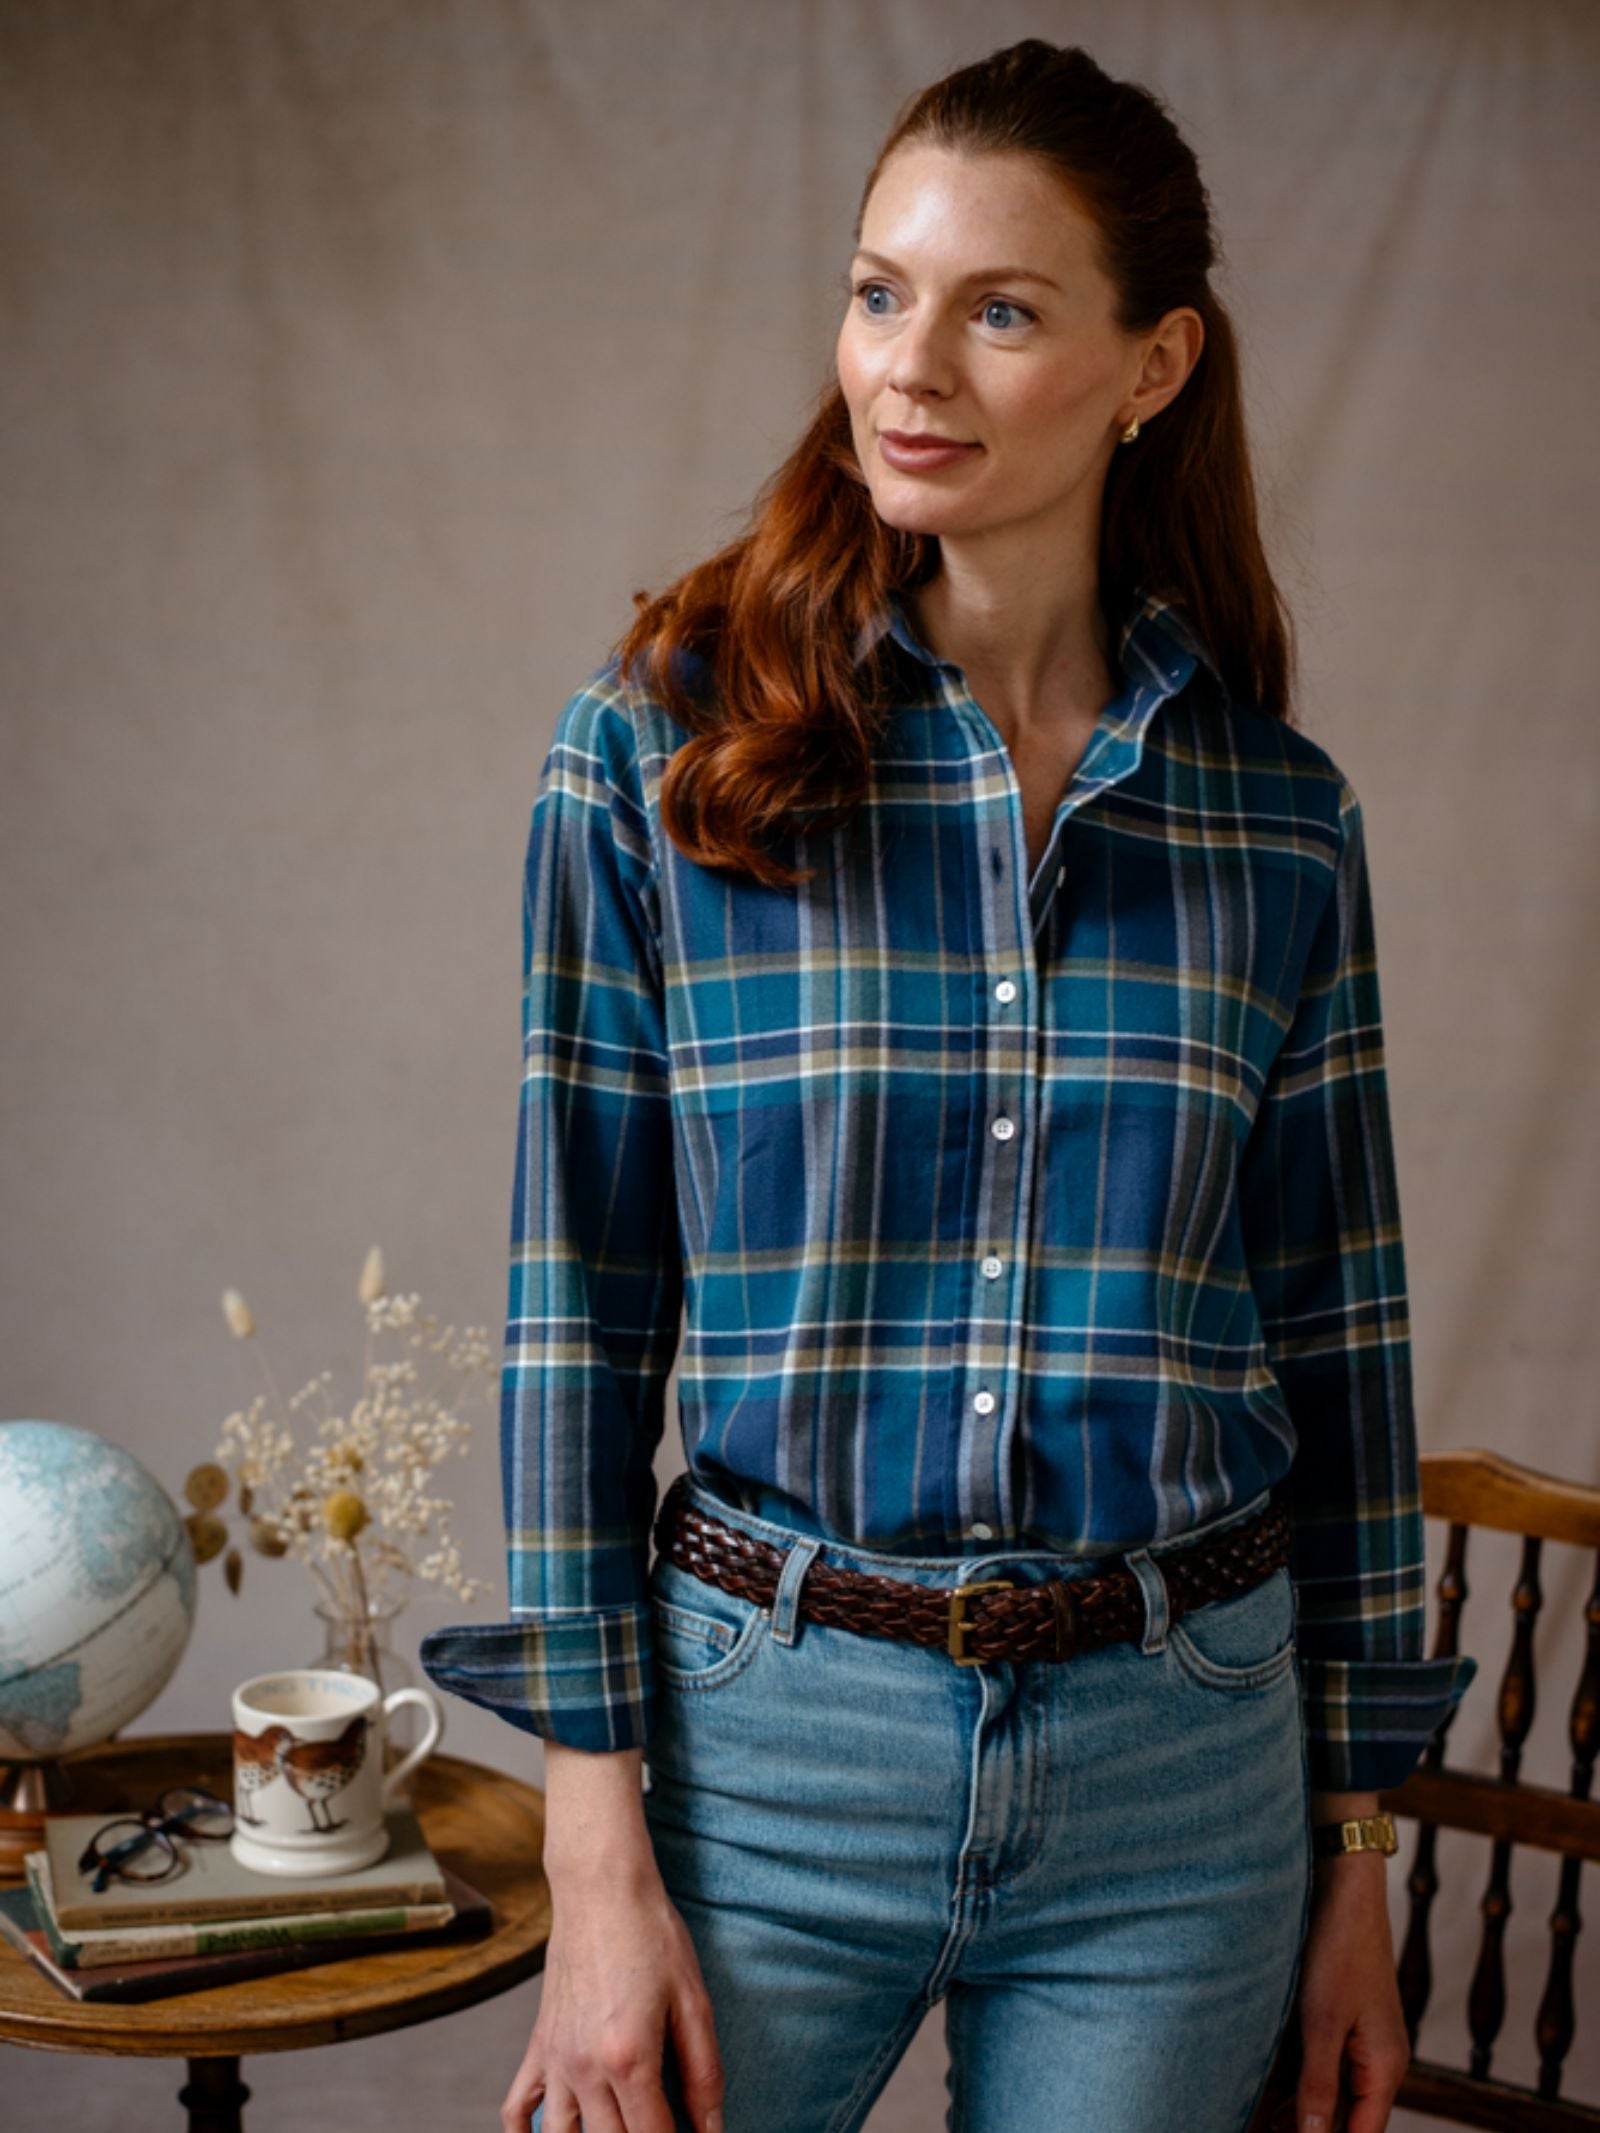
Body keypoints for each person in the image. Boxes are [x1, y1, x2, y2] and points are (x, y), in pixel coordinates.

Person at [420, 37, 1477, 2133]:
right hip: (762, 1752)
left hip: (1178, 1775)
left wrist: (1354, 1859)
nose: (907, 364)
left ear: (1149, 363)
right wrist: (592, 1844)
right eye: (876, 288)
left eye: (998, 309)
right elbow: (578, 1327)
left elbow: (1342, 1357)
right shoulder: (657, 754)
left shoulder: (1274, 826)